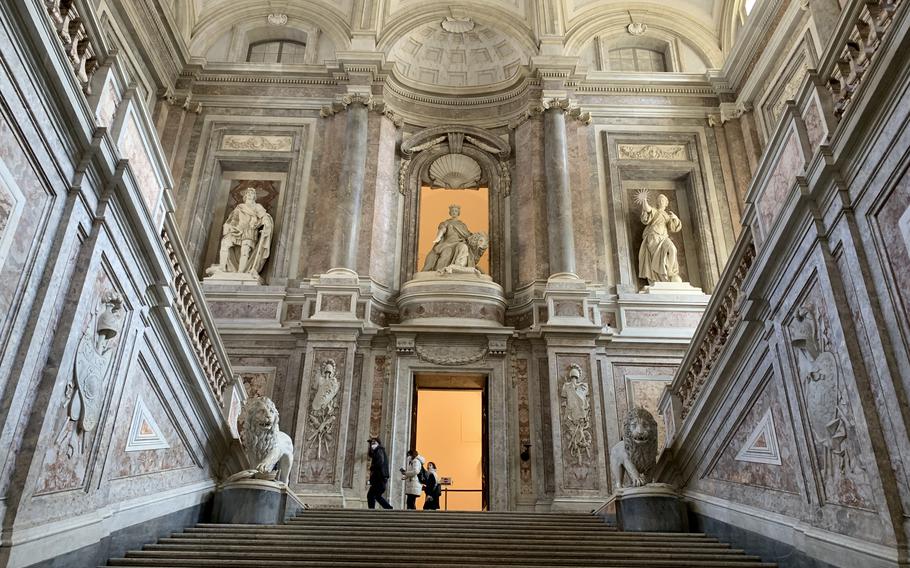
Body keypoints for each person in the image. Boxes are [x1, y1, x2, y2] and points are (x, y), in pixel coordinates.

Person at [366, 437, 392, 509]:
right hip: (380, 477)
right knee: (376, 496)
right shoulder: (377, 450)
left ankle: (372, 511)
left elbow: (380, 461)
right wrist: (369, 446)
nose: (372, 444)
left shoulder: (379, 450)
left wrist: (372, 467)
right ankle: (388, 508)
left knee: (371, 495)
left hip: (379, 477)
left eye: (373, 442)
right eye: (371, 443)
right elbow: (370, 455)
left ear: (378, 443)